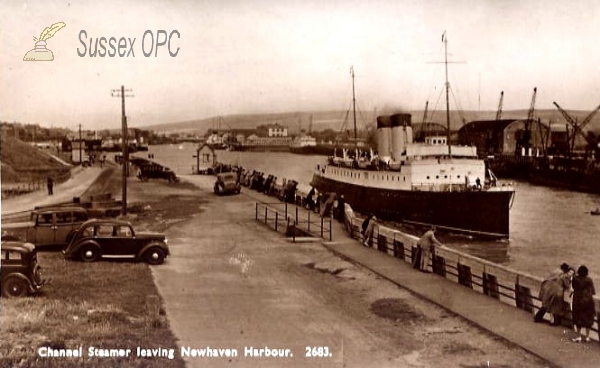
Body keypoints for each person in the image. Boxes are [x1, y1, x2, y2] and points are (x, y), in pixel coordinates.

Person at [571, 265, 596, 342]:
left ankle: (578, 336)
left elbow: (573, 287)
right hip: (588, 302)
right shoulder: (589, 280)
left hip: (577, 301)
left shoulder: (575, 279)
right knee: (588, 319)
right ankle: (587, 337)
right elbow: (593, 292)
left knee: (577, 318)